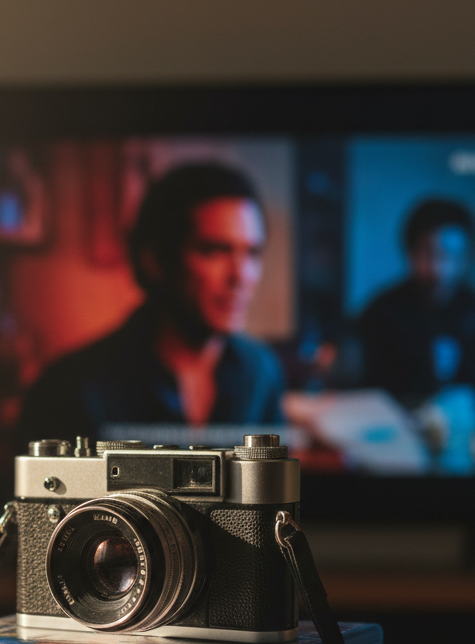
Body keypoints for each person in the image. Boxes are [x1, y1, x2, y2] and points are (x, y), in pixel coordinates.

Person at [16, 163, 285, 445]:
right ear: (155, 260)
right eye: (213, 251)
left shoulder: (261, 373)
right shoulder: (72, 388)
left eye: (252, 253)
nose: (241, 276)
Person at [357, 198, 475, 407]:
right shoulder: (380, 313)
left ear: (467, 257)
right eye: (430, 254)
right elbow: (367, 390)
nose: (441, 270)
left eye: (453, 256)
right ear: (410, 252)